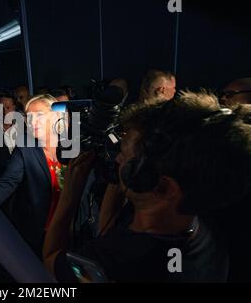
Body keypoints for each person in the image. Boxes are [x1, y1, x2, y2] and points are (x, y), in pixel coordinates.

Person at [44, 91, 251, 282]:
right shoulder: (206, 230)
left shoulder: (114, 261)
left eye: (125, 155)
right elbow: (110, 232)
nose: (117, 158)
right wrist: (122, 178)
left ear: (163, 187)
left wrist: (70, 195)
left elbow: (50, 261)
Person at [0, 94, 64, 257]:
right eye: (29, 117)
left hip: (71, 233)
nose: (32, 122)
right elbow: (5, 184)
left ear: (57, 116)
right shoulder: (25, 150)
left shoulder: (73, 148)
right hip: (39, 237)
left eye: (39, 116)